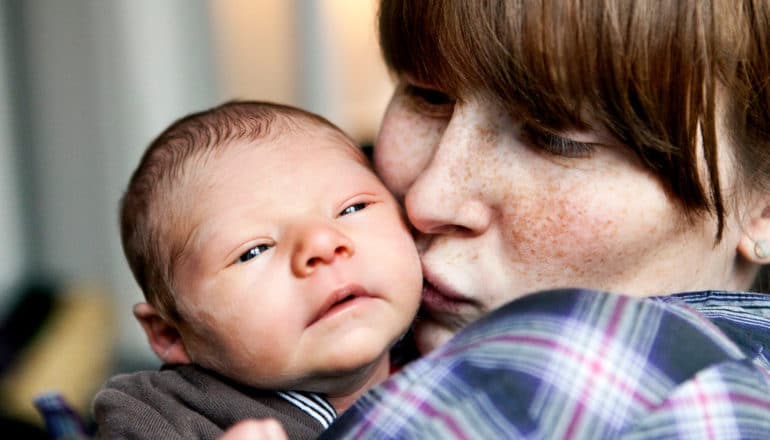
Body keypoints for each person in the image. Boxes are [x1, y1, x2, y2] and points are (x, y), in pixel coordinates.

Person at [314, 0, 770, 437]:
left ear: (764, 208)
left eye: (555, 138)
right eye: (427, 95)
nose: (429, 201)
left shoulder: (622, 383)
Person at [91, 101, 422, 439]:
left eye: (353, 207)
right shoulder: (159, 418)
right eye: (254, 251)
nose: (322, 243)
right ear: (171, 333)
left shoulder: (455, 354)